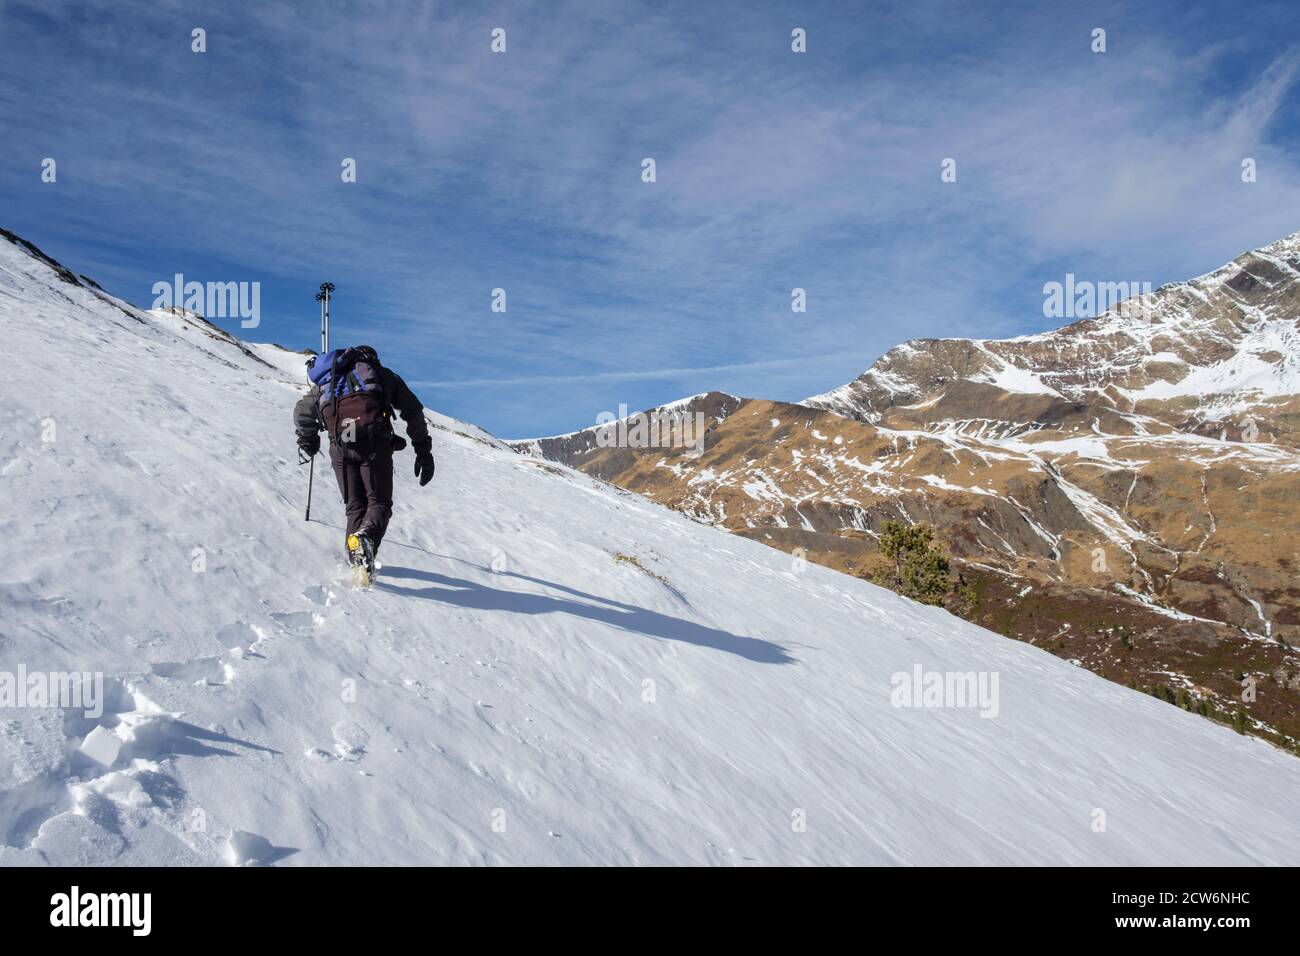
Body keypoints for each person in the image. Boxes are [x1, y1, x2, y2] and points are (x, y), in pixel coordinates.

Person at [294, 345, 435, 574]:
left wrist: (308, 440)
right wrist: (423, 451)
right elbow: (413, 411)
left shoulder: (329, 379)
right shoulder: (380, 374)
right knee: (378, 503)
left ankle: (357, 563)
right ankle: (365, 539)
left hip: (339, 446)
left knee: (355, 506)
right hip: (374, 444)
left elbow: (302, 412)